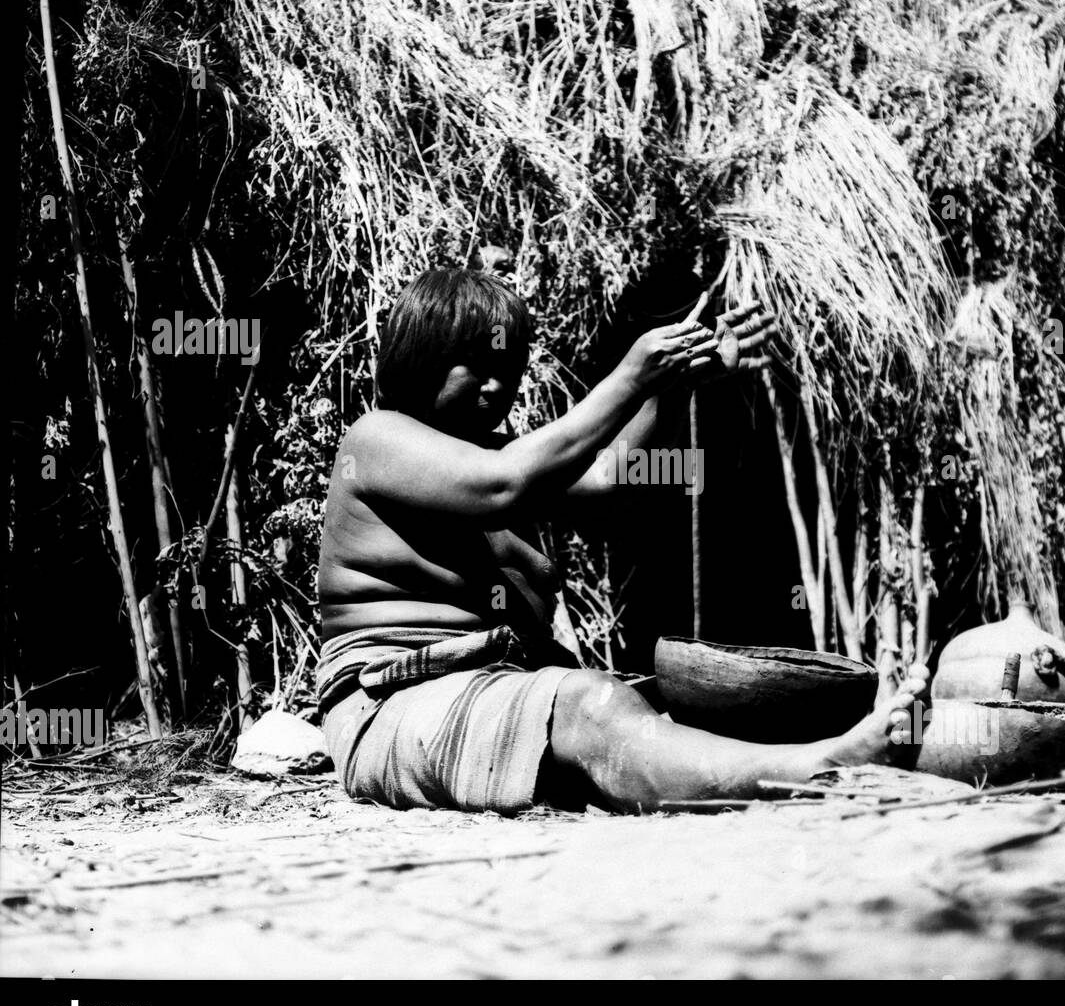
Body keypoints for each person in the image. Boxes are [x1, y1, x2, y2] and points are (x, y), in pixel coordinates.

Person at [315, 265, 929, 813]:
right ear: (418, 357)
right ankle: (817, 770)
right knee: (591, 706)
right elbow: (502, 486)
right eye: (475, 364)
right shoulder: (376, 439)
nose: (497, 387)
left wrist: (671, 384)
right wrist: (629, 378)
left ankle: (850, 745)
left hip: (486, 690)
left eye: (508, 371)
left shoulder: (502, 454)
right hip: (393, 704)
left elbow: (613, 479)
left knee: (666, 701)